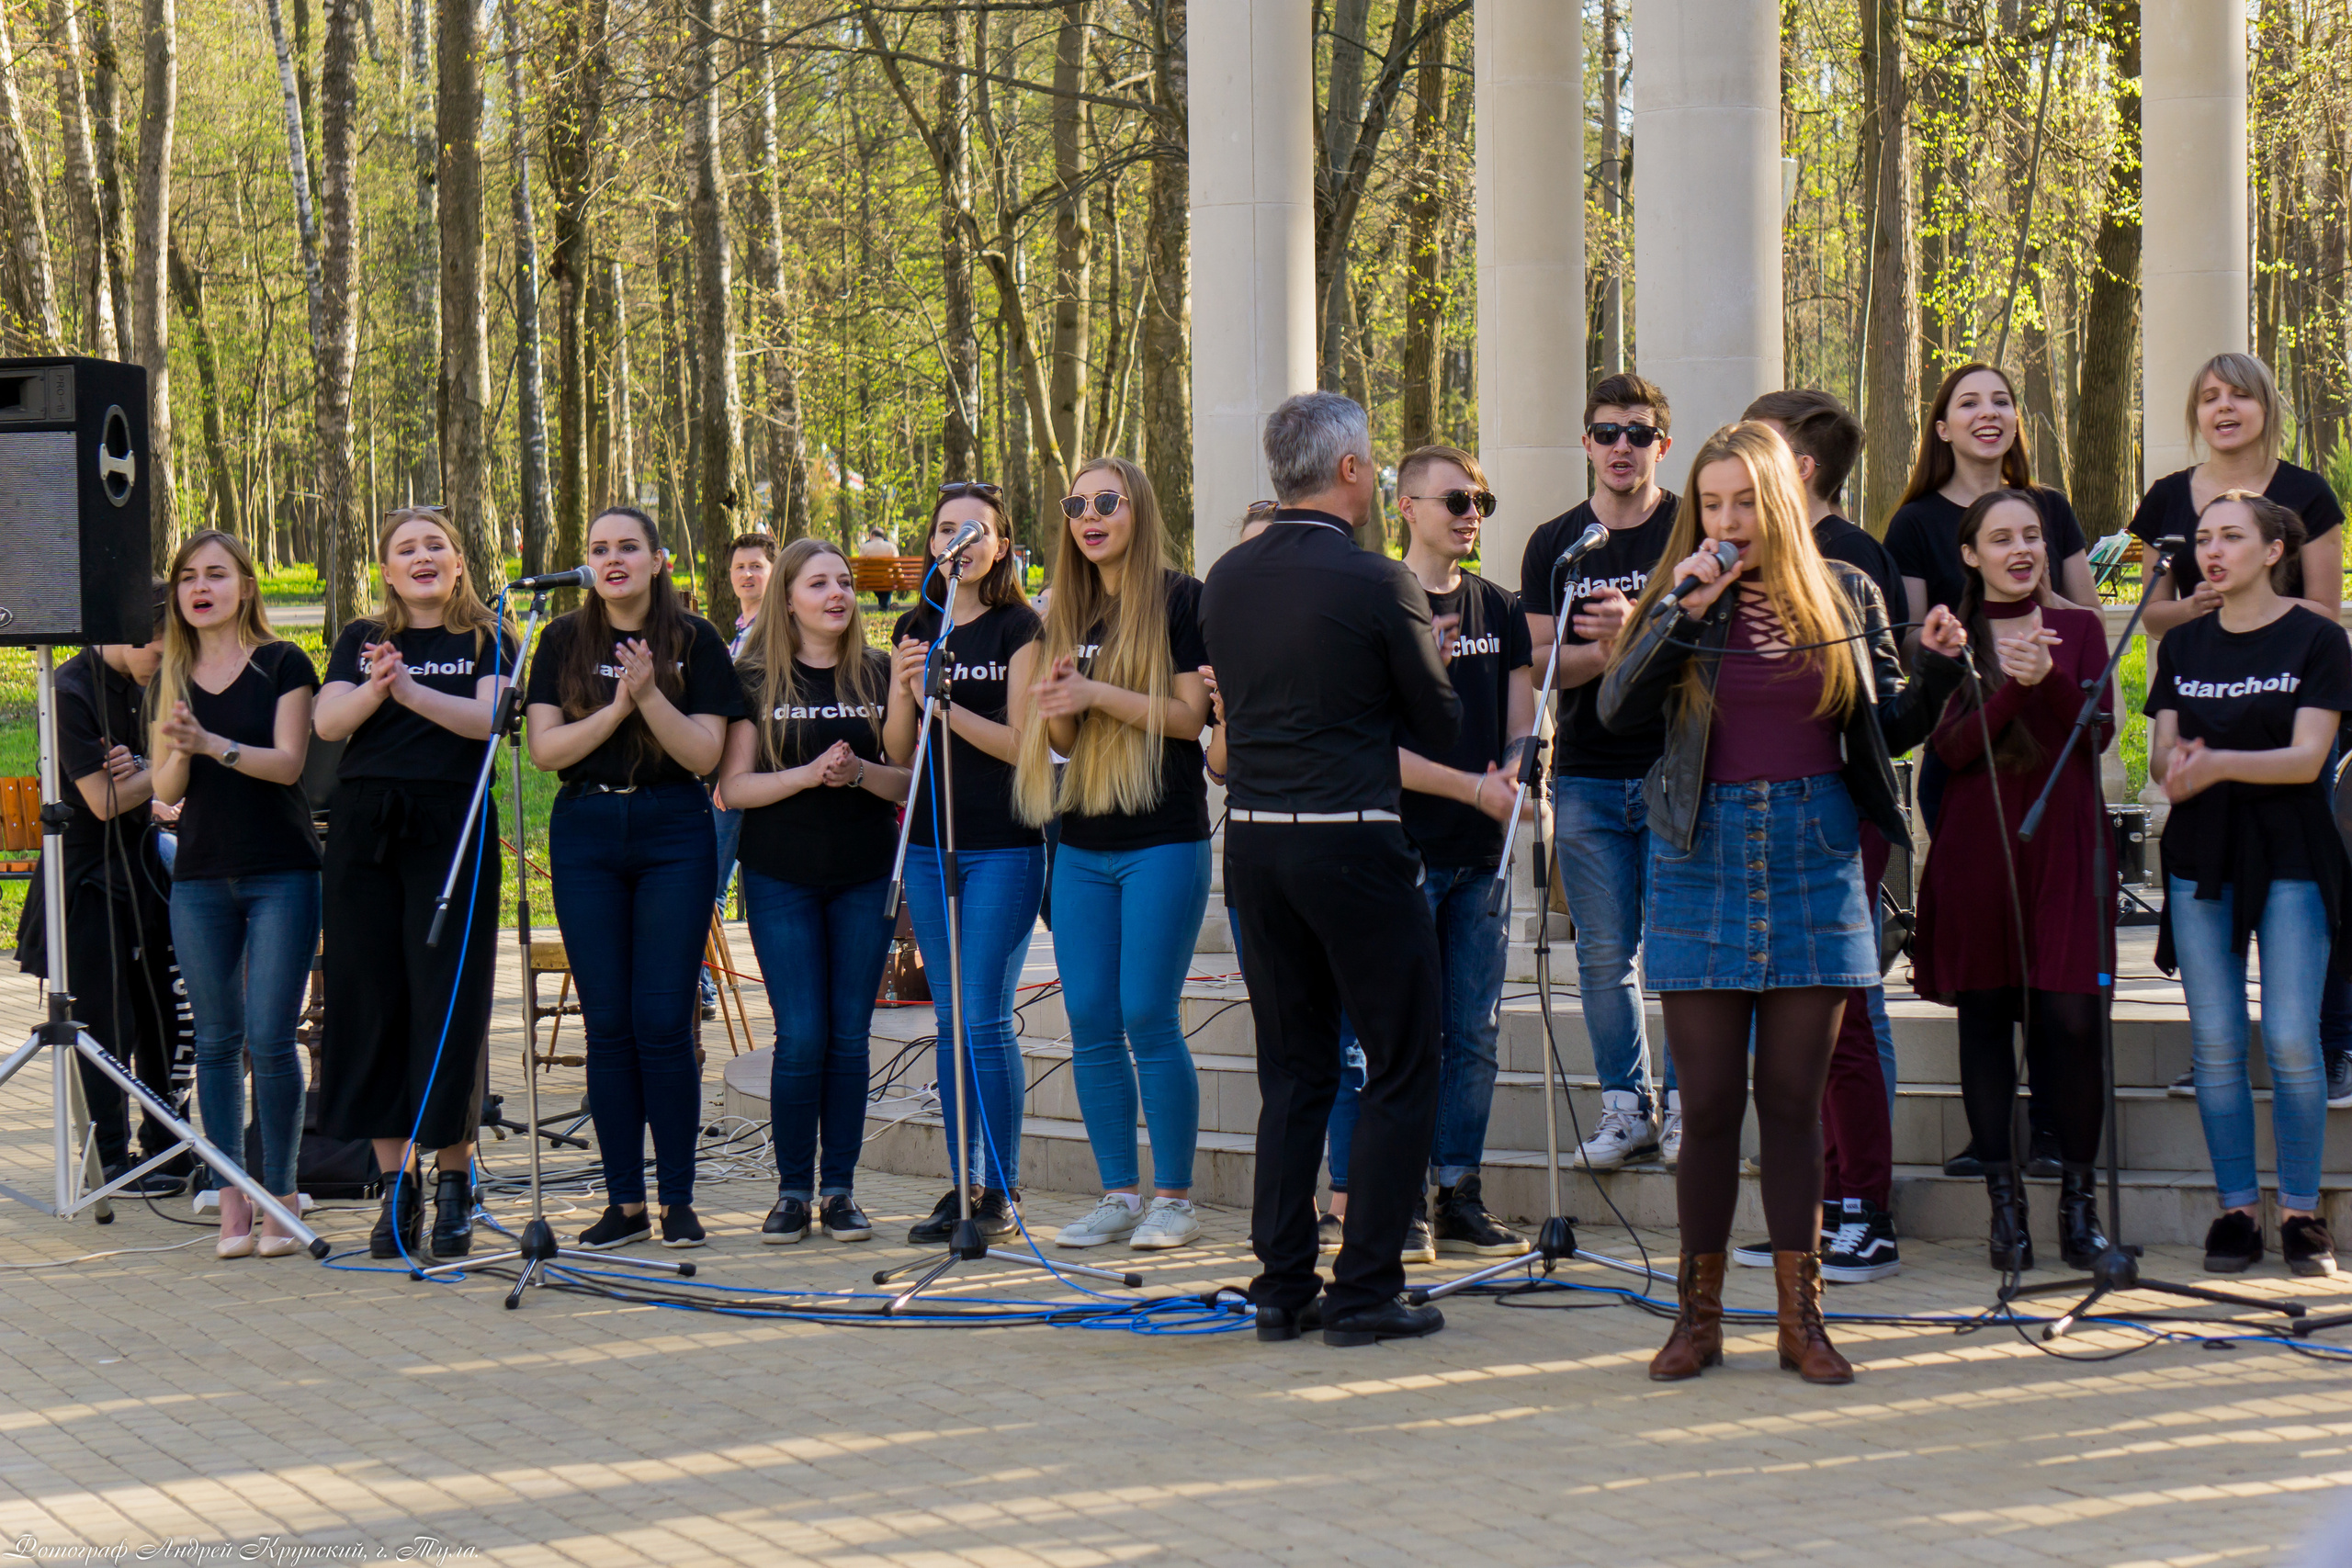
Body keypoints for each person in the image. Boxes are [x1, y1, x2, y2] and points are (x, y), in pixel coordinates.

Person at [1600, 423, 1965, 1384]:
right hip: (1700, 853)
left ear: (1778, 504)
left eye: (1743, 503)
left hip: (1812, 851)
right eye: (1710, 504)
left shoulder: (1844, 595)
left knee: (1795, 1104)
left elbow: (1886, 727)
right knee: (1711, 1101)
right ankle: (1697, 1318)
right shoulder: (1678, 598)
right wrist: (1683, 609)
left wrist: (1929, 668)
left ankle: (1801, 1321)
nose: (1726, 521)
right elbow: (1614, 714)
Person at [1201, 391, 1461, 1348]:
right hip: (1351, 838)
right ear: (1351, 470)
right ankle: (1364, 1290)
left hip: (1258, 842)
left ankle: (1279, 1287)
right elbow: (1440, 725)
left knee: (1294, 1071)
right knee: (1399, 1059)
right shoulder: (1376, 582)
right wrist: (1418, 657)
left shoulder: (1224, 580)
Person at [1317, 446, 1533, 1260]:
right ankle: (1392, 1196)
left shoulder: (1500, 607)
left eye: (1481, 496)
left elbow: (1519, 719)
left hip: (1483, 854)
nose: (1471, 510)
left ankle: (1457, 1191)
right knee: (1392, 1035)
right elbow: (1371, 744)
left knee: (1472, 1030)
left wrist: (1516, 772)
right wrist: (1469, 788)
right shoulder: (1379, 601)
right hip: (1399, 849)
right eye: (1454, 498)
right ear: (1405, 506)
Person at [2124, 353, 2351, 1105]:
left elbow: (2326, 606)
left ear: (2266, 406)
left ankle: (2329, 1043)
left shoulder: (2307, 494)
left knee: (2304, 877)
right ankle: (2214, 1046)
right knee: (2208, 873)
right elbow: (2137, 606)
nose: (2224, 408)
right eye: (2209, 397)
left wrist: (2252, 614)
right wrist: (2193, 612)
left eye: (2239, 396)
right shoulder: (2162, 499)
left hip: (2289, 704)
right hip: (2203, 694)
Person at [1010, 457, 1215, 1253]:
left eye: (1107, 501)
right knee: (1090, 1017)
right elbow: (1060, 743)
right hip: (1083, 840)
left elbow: (1190, 716)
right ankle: (1118, 1195)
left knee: (1145, 1014)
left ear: (1139, 510)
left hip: (1163, 834)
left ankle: (1174, 1199)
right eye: (1076, 504)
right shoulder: (1066, 613)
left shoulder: (1180, 599)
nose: (1089, 515)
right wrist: (1059, 704)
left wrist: (1093, 694)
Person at [525, 505, 743, 1251]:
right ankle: (623, 1202)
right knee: (608, 1023)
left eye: (628, 546)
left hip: (673, 829)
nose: (612, 558)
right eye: (598, 548)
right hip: (587, 830)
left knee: (663, 1020)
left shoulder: (696, 639)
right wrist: (619, 706)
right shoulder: (560, 638)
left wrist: (649, 695)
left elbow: (705, 755)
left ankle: (677, 1197)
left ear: (658, 559)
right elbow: (546, 751)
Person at [1910, 491, 2115, 1273]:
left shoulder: (2082, 628)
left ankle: (2079, 1206)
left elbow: (2096, 732)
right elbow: (1952, 749)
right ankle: (2005, 1210)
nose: (2021, 548)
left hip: (2064, 839)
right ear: (1971, 554)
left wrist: (2051, 680)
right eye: (2002, 537)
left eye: (2032, 534)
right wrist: (2013, 688)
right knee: (1987, 1015)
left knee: (2070, 1018)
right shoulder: (1951, 638)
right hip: (1981, 840)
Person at [2146, 492, 2349, 1277]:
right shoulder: (2185, 644)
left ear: (2274, 550)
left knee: (2295, 1038)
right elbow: (2165, 758)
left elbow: (2306, 759)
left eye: (2232, 536)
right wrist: (2179, 769)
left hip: (2293, 850)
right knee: (2218, 1040)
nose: (2212, 550)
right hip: (2203, 854)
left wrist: (2218, 763)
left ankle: (2302, 1212)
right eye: (2202, 538)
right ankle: (2236, 1211)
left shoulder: (2317, 638)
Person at [313, 506, 516, 1261]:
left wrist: (406, 695)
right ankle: (398, 1184)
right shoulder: (363, 639)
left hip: (450, 828)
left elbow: (490, 717)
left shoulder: (486, 635)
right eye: (406, 548)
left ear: (459, 562)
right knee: (371, 1003)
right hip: (365, 831)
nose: (423, 555)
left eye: (437, 543)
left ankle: (456, 1181)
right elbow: (329, 723)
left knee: (447, 1002)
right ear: (388, 570)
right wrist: (374, 689)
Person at [1739, 389, 1905, 1282]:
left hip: (1834, 827)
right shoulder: (1743, 563)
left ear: (1797, 468)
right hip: (1761, 827)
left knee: (1843, 1026)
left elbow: (1882, 720)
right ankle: (1817, 1201)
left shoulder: (1849, 564)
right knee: (1791, 1034)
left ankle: (1863, 1209)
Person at [719, 538, 909, 1246]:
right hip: (781, 878)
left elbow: (908, 778)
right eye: (818, 583)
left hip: (863, 876)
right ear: (788, 598)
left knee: (849, 1037)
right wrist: (805, 777)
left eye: (842, 582)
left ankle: (842, 1190)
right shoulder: (754, 680)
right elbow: (732, 787)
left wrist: (859, 771)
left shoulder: (879, 672)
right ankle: (793, 1189)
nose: (836, 593)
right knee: (801, 1036)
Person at [1518, 372, 1681, 1172]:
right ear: (1585, 443)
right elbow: (1540, 660)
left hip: (1679, 771)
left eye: (1639, 433)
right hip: (1583, 773)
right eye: (1607, 432)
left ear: (1663, 445)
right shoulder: (1557, 541)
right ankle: (1627, 1107)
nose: (1623, 447)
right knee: (1603, 954)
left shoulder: (1690, 530)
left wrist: (1637, 630)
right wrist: (1613, 651)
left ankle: (1687, 1106)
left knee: (1681, 945)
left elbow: (1708, 654)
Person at [149, 530, 321, 1260]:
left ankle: (280, 1197)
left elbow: (287, 765)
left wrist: (212, 742)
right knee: (216, 1045)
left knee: (270, 1038)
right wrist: (181, 749)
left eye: (216, 574)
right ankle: (230, 1201)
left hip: (281, 870)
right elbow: (163, 791)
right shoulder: (174, 675)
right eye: (188, 576)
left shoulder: (285, 662)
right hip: (199, 877)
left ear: (246, 586)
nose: (200, 587)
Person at [886, 482, 1046, 1245]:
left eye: (974, 530)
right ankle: (963, 1182)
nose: (959, 542)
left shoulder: (1022, 628)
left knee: (983, 1016)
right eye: (945, 528)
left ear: (1002, 547)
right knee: (949, 1021)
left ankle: (1005, 1191)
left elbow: (1024, 746)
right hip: (926, 843)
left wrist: (947, 708)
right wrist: (903, 690)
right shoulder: (916, 625)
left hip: (1003, 844)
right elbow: (898, 753)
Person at [35, 582, 179, 1198]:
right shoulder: (70, 691)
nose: (166, 669)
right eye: (162, 654)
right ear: (133, 633)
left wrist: (148, 773)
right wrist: (165, 772)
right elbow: (99, 799)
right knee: (102, 1022)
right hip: (86, 879)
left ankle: (168, 1143)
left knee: (160, 1014)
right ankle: (111, 1155)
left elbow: (141, 786)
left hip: (141, 868)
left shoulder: (149, 686)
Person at [703, 532, 777, 1021]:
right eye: (739, 567)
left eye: (757, 566)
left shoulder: (776, 630)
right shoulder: (736, 629)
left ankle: (701, 984)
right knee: (710, 879)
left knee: (717, 879)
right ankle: (701, 981)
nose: (747, 575)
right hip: (724, 771)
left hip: (756, 771)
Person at [859, 525, 899, 613]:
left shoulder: (864, 547)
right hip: (887, 580)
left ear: (873, 536)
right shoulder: (891, 546)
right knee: (886, 584)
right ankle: (884, 605)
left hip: (871, 580)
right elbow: (896, 565)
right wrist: (898, 579)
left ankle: (884, 605)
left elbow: (861, 567)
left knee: (879, 584)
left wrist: (862, 580)